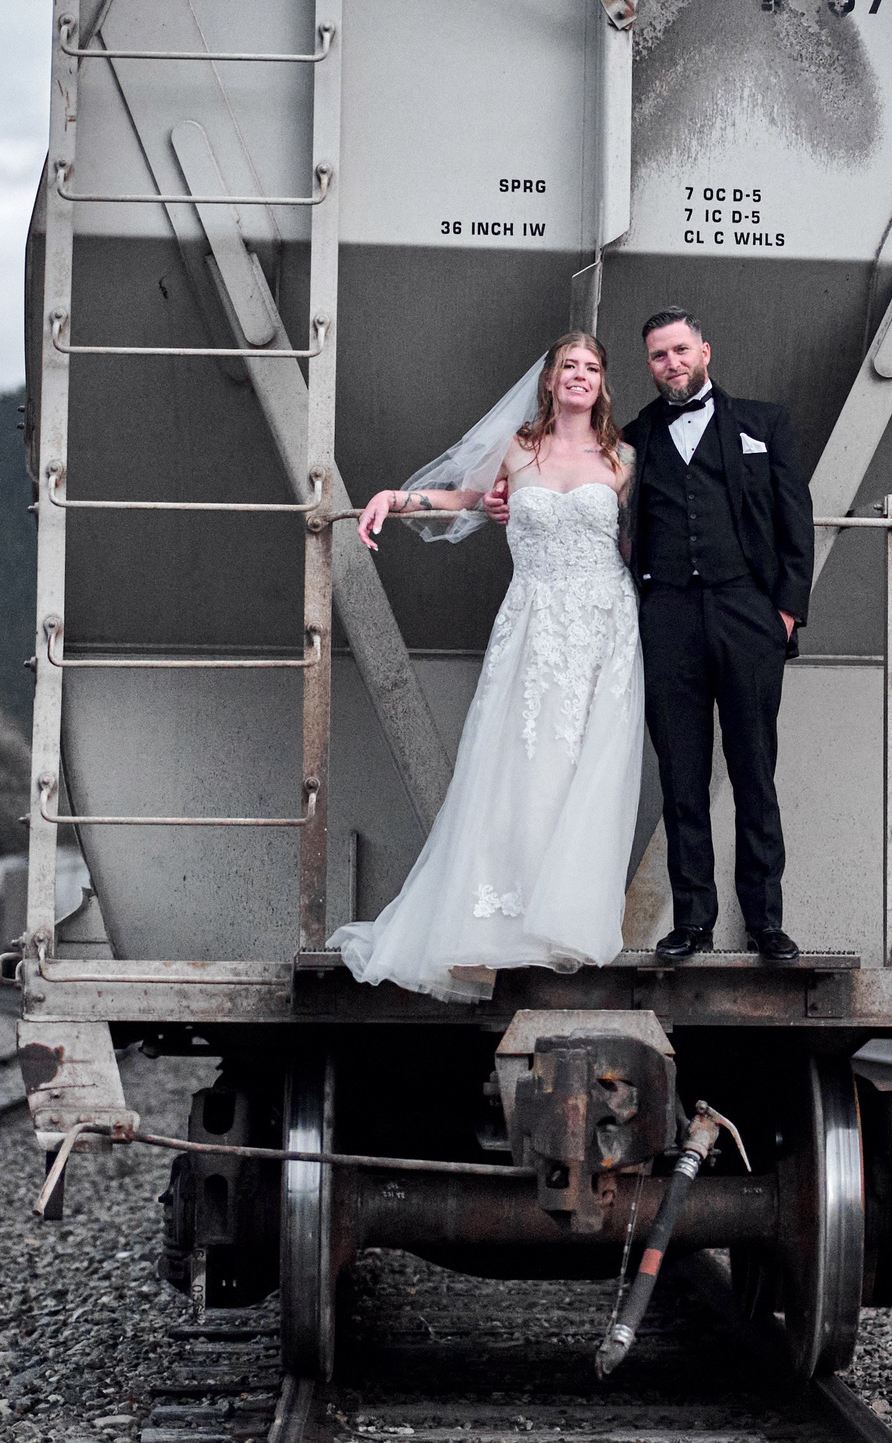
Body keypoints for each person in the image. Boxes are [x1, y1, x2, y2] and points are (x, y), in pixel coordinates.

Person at [326, 332, 642, 1003]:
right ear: (551, 379)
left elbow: (636, 543)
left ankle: (569, 920)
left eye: (591, 367)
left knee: (587, 765)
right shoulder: (518, 449)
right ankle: (503, 921)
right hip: (531, 621)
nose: (579, 376)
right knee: (521, 767)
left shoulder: (624, 458)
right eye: (568, 366)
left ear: (602, 383)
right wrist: (392, 497)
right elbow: (464, 500)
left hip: (603, 627)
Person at [613, 309, 813, 963]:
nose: (671, 363)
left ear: (705, 349)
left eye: (679, 350)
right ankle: (693, 918)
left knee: (755, 772)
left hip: (747, 612)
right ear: (649, 365)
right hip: (668, 617)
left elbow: (794, 519)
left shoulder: (765, 422)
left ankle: (765, 922)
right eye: (658, 356)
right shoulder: (637, 434)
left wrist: (785, 611)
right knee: (681, 774)